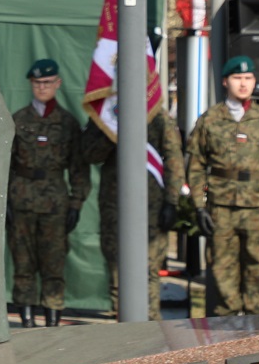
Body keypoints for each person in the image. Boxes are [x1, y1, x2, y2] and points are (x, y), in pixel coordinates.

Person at [187, 55, 259, 316]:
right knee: (222, 270)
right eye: (237, 78)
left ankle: (256, 327)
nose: (243, 83)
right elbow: (196, 166)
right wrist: (199, 206)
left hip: (258, 207)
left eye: (248, 78)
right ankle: (228, 329)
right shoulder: (209, 120)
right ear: (225, 81)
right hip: (221, 208)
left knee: (258, 268)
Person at [76, 92, 184, 317]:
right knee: (117, 270)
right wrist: (111, 128)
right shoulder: (105, 116)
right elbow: (89, 154)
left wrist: (171, 202)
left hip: (151, 207)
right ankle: (124, 327)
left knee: (148, 270)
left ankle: (150, 328)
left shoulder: (159, 117)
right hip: (114, 205)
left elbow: (173, 159)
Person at [7, 59, 89, 327]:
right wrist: (4, 202)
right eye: (37, 83)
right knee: (23, 265)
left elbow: (78, 168)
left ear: (57, 84)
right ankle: (27, 322)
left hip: (55, 204)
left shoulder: (67, 123)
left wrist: (76, 204)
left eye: (47, 82)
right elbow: (5, 165)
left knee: (53, 266)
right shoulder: (18, 120)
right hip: (21, 201)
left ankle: (53, 323)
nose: (42, 87)